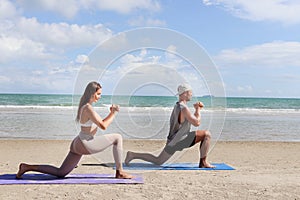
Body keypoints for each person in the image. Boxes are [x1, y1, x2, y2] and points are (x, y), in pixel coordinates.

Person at [16, 81, 132, 179]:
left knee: (60, 172)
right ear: (92, 93)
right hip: (86, 143)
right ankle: (119, 172)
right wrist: (114, 113)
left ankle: (27, 167)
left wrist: (111, 113)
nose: (100, 96)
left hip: (78, 142)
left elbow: (100, 122)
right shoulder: (88, 108)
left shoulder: (85, 106)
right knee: (118, 137)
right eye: (99, 94)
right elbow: (103, 126)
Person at [125, 83, 214, 168]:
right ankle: (203, 162)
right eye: (190, 92)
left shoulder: (177, 106)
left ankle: (132, 155)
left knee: (158, 160)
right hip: (181, 140)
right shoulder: (184, 108)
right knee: (207, 134)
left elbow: (191, 120)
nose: (191, 94)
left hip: (173, 140)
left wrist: (196, 110)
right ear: (185, 93)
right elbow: (197, 123)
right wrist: (198, 109)